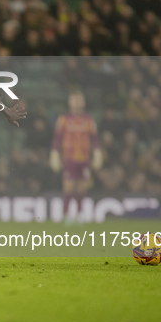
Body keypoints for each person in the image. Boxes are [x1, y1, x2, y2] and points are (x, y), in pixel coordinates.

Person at [49, 90, 103, 224]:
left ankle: (79, 214)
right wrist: (54, 154)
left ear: (84, 102)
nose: (78, 103)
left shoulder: (89, 120)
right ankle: (67, 214)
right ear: (70, 102)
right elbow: (57, 138)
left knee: (82, 188)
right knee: (68, 187)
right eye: (75, 100)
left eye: (80, 100)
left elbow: (95, 139)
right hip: (69, 158)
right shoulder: (63, 119)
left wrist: (97, 154)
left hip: (84, 159)